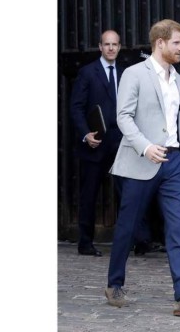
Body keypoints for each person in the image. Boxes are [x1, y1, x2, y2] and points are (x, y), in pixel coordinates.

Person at [105, 19, 180, 316]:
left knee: (178, 227)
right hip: (142, 160)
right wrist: (146, 146)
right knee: (128, 226)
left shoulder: (177, 79)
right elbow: (123, 116)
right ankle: (114, 283)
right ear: (160, 43)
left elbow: (179, 121)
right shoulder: (134, 73)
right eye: (177, 42)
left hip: (174, 162)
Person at [70, 30, 124, 257]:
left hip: (121, 142)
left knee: (129, 191)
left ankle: (139, 240)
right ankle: (85, 242)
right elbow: (76, 107)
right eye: (107, 44)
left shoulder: (126, 73)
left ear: (119, 47)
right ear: (100, 47)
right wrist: (85, 134)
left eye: (115, 44)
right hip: (96, 142)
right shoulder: (87, 73)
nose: (111, 48)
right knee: (90, 193)